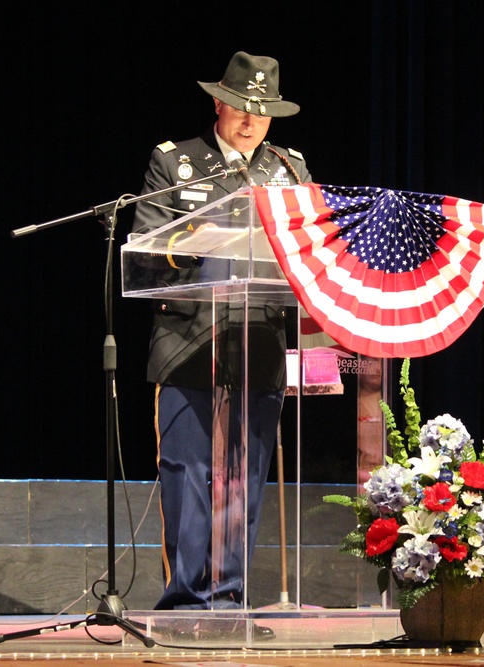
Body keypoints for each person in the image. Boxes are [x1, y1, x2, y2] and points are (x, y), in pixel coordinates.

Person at [131, 52, 311, 619]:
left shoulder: (290, 171)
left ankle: (229, 599)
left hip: (257, 345)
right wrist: (195, 240)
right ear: (219, 102)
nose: (251, 120)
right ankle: (186, 604)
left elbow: (314, 253)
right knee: (189, 479)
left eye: (263, 112)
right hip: (188, 345)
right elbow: (146, 248)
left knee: (244, 483)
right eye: (241, 107)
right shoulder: (177, 163)